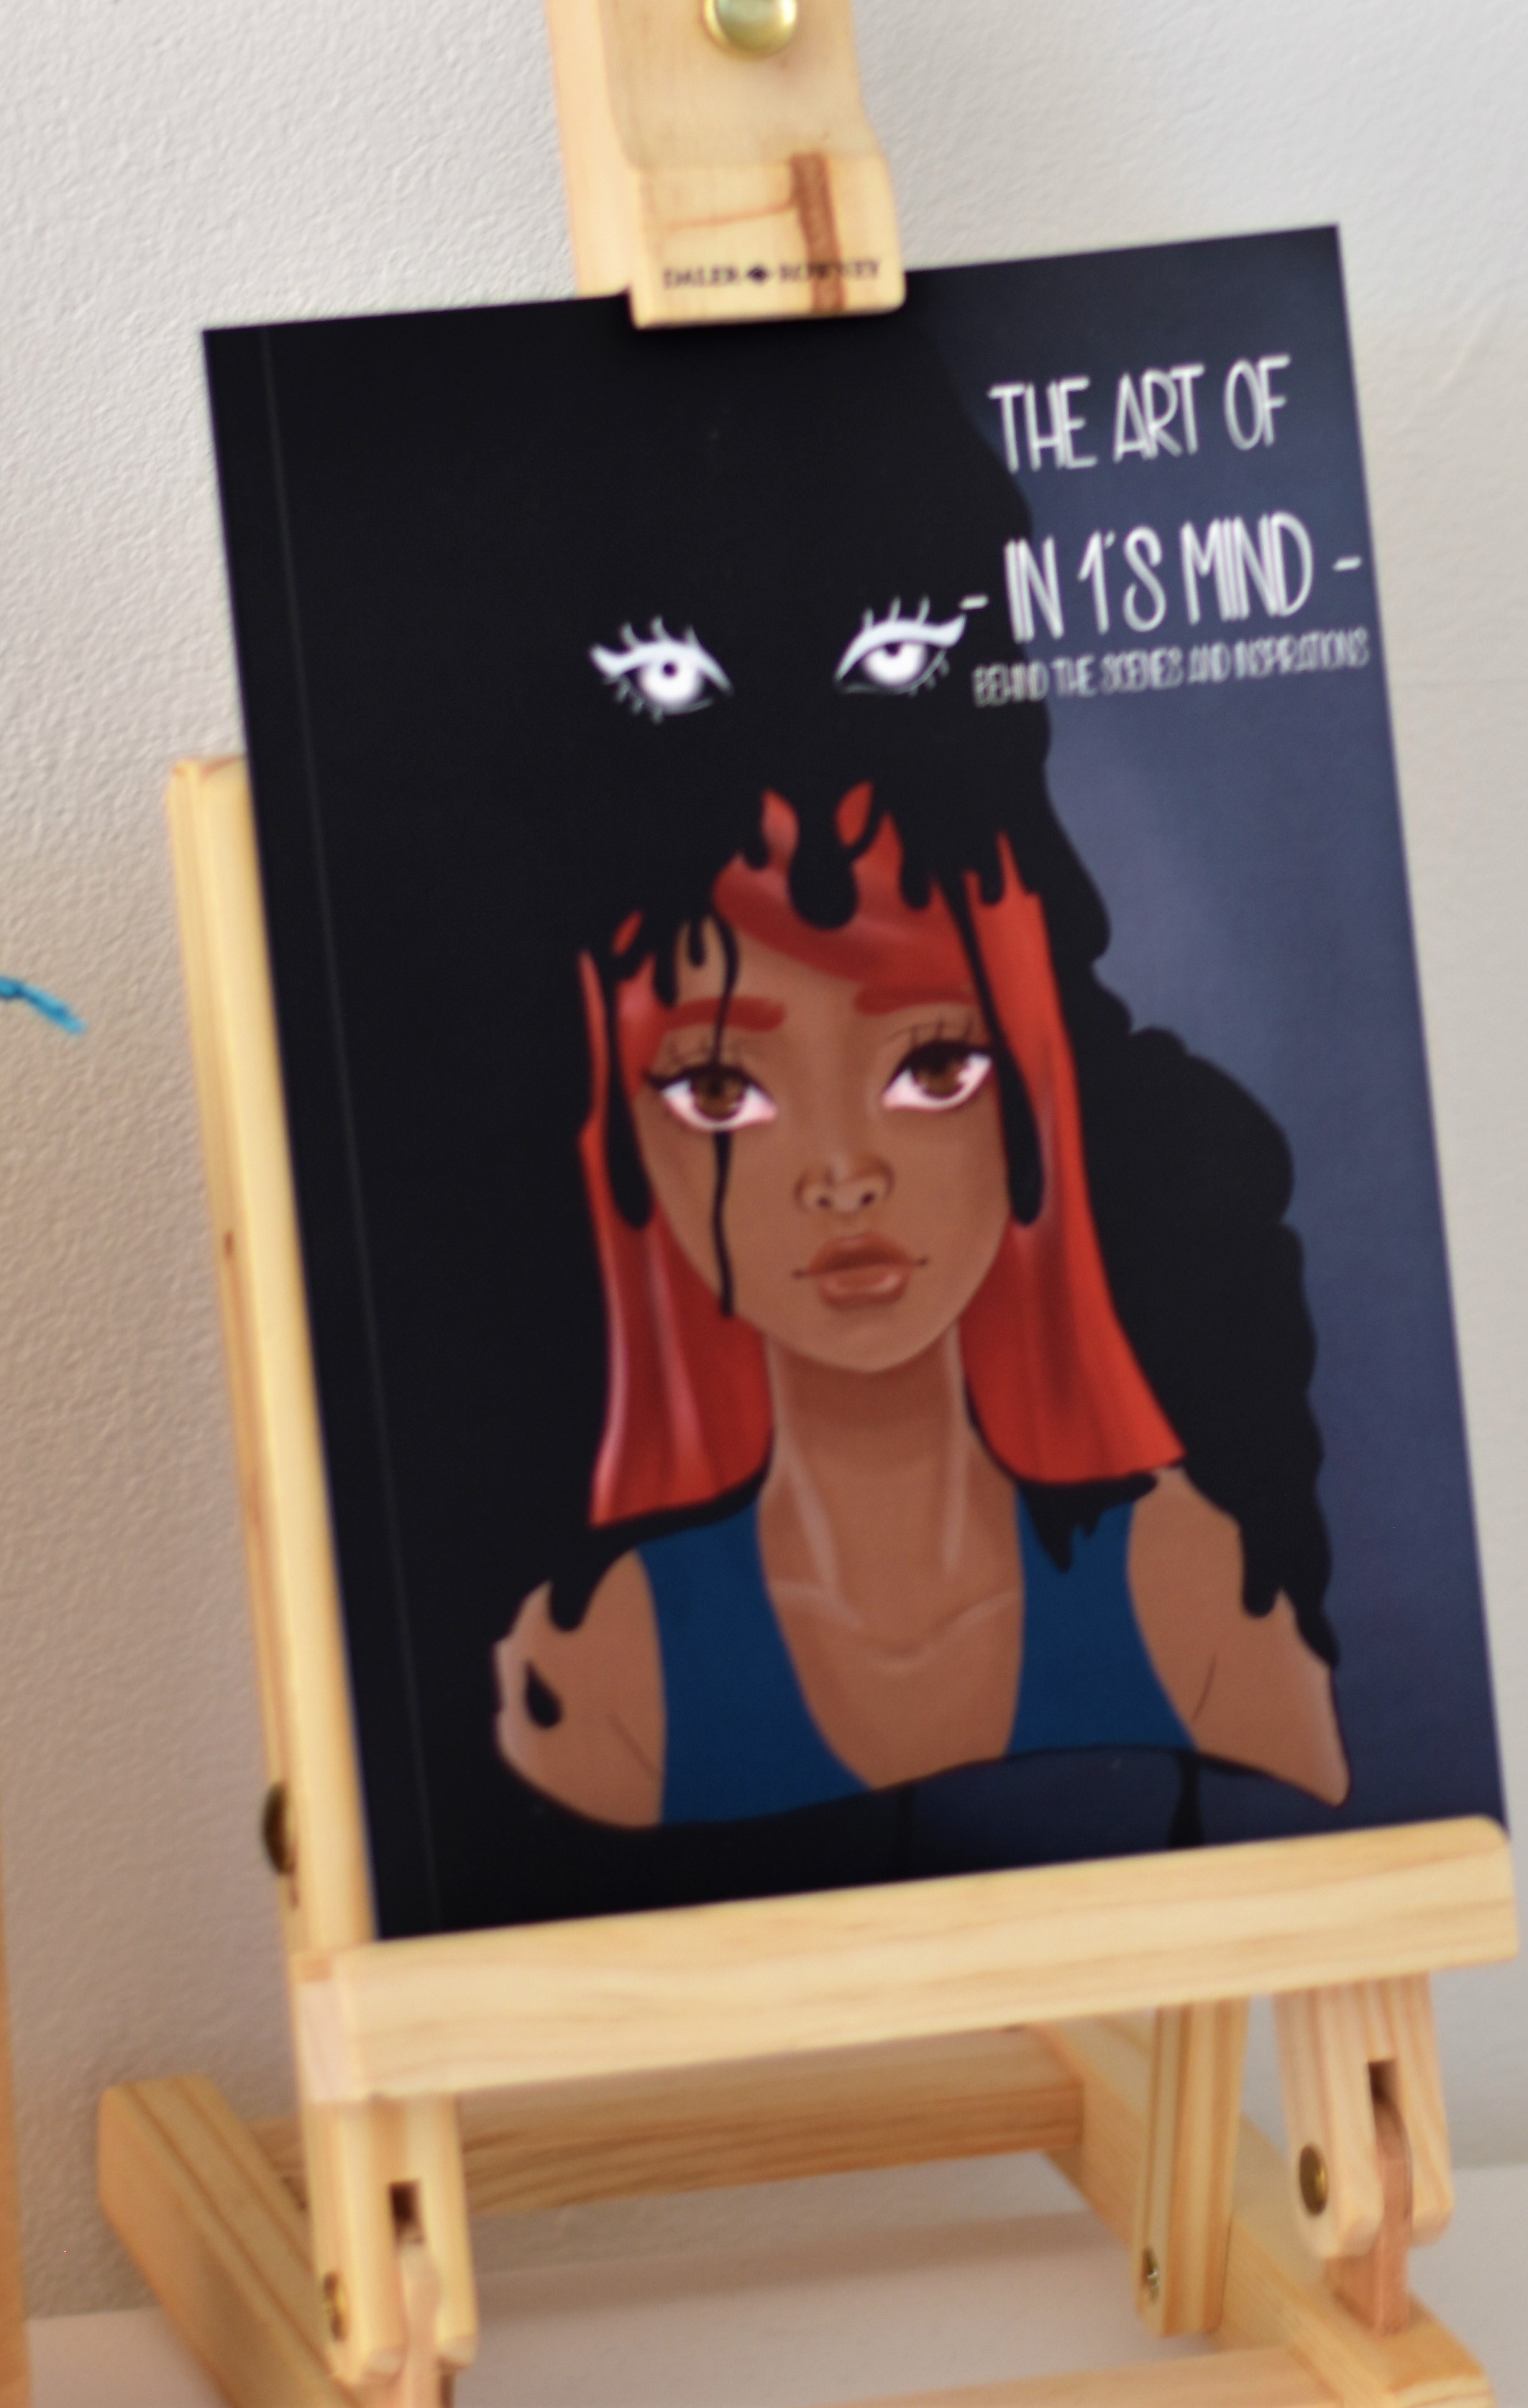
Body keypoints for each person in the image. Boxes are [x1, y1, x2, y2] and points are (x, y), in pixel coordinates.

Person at [472, 322, 1351, 1833]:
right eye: (721, 1092)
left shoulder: (1198, 1589)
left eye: (933, 1064)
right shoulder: (599, 1672)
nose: (843, 1174)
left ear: (1033, 1090)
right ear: (627, 1145)